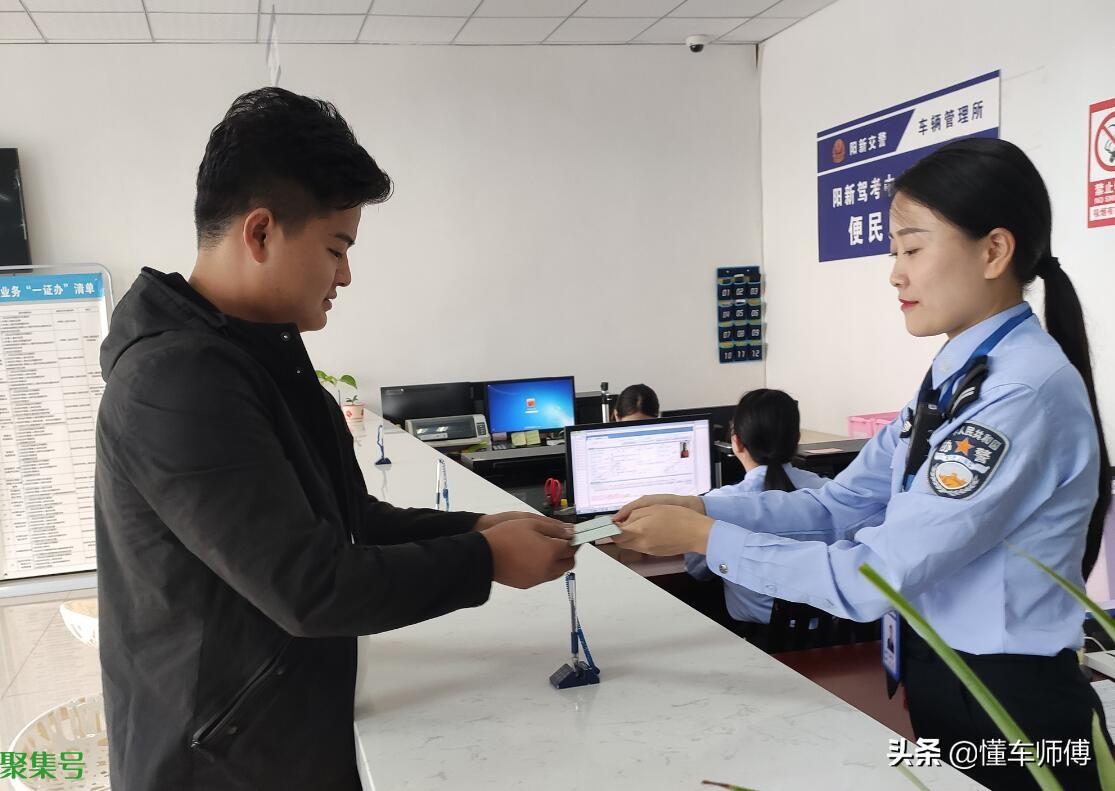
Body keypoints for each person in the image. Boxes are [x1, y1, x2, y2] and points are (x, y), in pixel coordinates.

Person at [94, 87, 577, 791]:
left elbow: (348, 521)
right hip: (218, 763)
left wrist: (477, 526)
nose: (345, 275)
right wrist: (484, 560)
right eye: (336, 248)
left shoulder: (259, 358)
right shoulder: (175, 381)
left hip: (276, 731)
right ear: (260, 233)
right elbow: (311, 586)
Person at [612, 138, 1112, 789]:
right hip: (952, 684)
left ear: (993, 250)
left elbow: (872, 578)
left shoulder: (1017, 395)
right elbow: (836, 505)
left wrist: (707, 538)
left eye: (912, 249)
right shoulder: (959, 376)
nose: (895, 274)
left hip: (1013, 714)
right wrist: (704, 506)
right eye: (892, 253)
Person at [684, 389, 828, 629]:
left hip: (758, 641)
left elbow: (696, 570)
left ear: (736, 442)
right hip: (837, 637)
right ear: (797, 439)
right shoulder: (832, 493)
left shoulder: (719, 504)